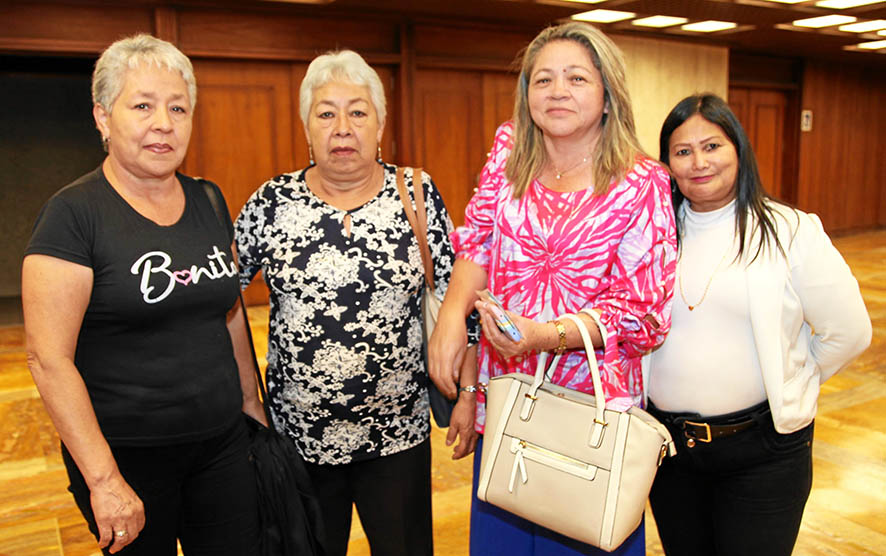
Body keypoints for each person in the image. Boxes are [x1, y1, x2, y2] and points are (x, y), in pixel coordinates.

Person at [428, 21, 677, 556]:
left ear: (608, 96)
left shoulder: (642, 183)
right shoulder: (509, 150)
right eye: (543, 80)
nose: (557, 91)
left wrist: (546, 336)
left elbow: (645, 314)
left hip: (589, 420)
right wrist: (453, 322)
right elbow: (477, 242)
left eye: (576, 79)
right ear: (526, 96)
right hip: (509, 401)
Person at [22, 34, 264, 555]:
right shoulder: (72, 216)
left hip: (221, 444)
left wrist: (251, 408)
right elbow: (48, 358)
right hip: (125, 457)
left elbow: (229, 313)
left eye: (178, 107)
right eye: (142, 105)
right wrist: (104, 480)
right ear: (103, 119)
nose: (164, 123)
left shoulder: (208, 199)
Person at [234, 49, 477, 556]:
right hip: (299, 437)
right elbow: (221, 299)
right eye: (326, 113)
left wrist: (468, 391)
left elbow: (458, 293)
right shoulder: (272, 203)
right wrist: (247, 402)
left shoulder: (417, 192)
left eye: (358, 112)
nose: (342, 127)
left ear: (381, 123)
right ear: (306, 127)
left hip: (397, 433)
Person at [646, 93, 872, 556]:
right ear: (667, 163)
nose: (698, 162)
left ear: (739, 150)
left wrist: (792, 381)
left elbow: (849, 332)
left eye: (712, 146)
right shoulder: (652, 234)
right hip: (667, 451)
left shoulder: (790, 230)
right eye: (682, 152)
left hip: (763, 453)